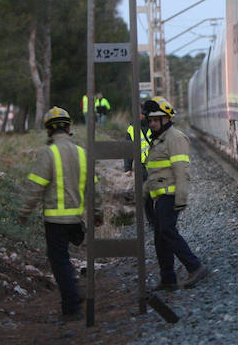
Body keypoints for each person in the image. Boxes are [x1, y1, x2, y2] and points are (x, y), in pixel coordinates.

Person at [18, 106, 103, 321]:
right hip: (76, 220)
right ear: (68, 128)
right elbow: (95, 188)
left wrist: (24, 213)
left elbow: (35, 187)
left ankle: (71, 307)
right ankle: (74, 289)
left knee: (59, 261)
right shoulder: (82, 153)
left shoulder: (49, 153)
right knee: (64, 261)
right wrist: (97, 212)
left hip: (55, 221)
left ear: (49, 130)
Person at [142, 96, 208, 290]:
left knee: (167, 232)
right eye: (150, 120)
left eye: (156, 120)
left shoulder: (175, 138)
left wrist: (181, 197)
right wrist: (143, 193)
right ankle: (168, 278)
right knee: (160, 237)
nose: (152, 123)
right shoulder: (158, 140)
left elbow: (181, 170)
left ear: (167, 119)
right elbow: (154, 172)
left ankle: (195, 266)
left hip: (170, 195)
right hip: (159, 195)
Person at [124, 109, 151, 179]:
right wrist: (127, 168)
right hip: (141, 165)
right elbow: (128, 149)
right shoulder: (131, 129)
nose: (141, 115)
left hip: (156, 163)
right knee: (144, 187)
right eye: (139, 113)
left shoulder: (153, 125)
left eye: (142, 113)